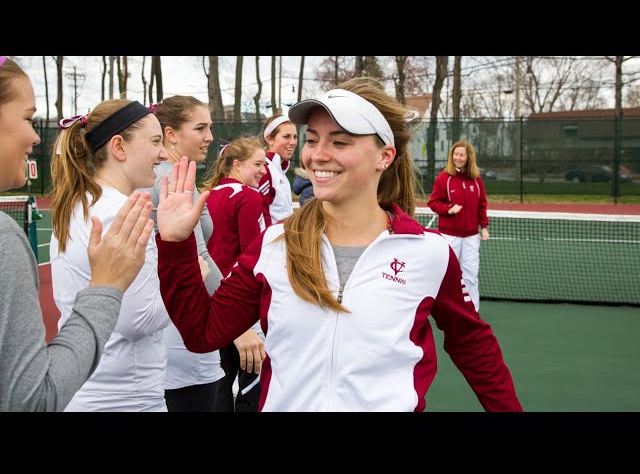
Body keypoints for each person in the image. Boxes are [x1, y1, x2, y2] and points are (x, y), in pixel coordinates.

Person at [154, 77, 522, 412]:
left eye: (340, 141)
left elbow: (473, 344)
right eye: (313, 139)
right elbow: (203, 333)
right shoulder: (275, 244)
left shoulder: (429, 253)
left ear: (384, 156)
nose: (317, 154)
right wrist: (175, 243)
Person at [0, 56, 155, 412]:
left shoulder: (77, 206)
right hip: (124, 397)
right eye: (27, 117)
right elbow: (33, 400)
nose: (35, 135)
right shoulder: (6, 239)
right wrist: (106, 287)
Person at [49, 99, 173, 412]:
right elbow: (138, 320)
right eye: (156, 142)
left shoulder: (77, 204)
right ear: (119, 147)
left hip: (85, 389)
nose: (163, 153)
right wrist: (189, 277)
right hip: (126, 399)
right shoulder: (123, 213)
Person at [147, 95, 225, 412]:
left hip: (169, 327)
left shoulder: (163, 175)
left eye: (210, 127)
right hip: (183, 330)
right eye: (200, 128)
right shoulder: (173, 180)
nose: (209, 136)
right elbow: (199, 257)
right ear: (171, 134)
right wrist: (242, 325)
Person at [200, 138, 268, 412]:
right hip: (240, 305)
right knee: (253, 383)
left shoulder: (207, 194)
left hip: (210, 300)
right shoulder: (248, 196)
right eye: (258, 163)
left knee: (219, 386)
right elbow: (255, 255)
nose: (264, 170)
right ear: (237, 165)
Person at [427, 140, 489, 312]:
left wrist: (483, 226)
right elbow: (433, 202)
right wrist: (449, 209)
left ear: (468, 157)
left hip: (471, 236)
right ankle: (447, 310)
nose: (458, 158)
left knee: (471, 275)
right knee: (448, 274)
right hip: (449, 236)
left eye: (462, 155)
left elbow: (482, 203)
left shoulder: (476, 179)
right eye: (456, 154)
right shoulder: (443, 178)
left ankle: (472, 312)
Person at [257, 114, 298, 224]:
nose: (293, 142)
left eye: (295, 137)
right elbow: (260, 215)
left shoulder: (279, 169)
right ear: (269, 139)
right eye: (286, 136)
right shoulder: (265, 169)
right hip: (272, 240)